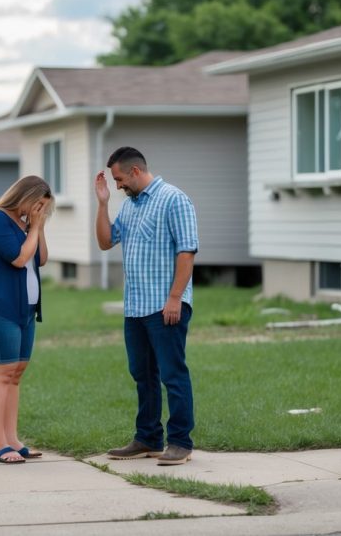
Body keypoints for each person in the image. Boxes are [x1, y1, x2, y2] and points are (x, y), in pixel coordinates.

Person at [94, 147, 199, 466]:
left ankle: (180, 442)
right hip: (136, 308)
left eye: (120, 179)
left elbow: (187, 251)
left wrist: (175, 298)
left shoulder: (174, 199)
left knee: (172, 374)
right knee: (143, 374)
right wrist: (103, 204)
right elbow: (105, 241)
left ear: (136, 171)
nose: (118, 186)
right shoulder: (129, 206)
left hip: (165, 305)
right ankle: (148, 438)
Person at [0, 175, 53, 464]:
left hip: (25, 310)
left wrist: (38, 228)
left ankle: (12, 439)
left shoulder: (26, 224)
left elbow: (41, 259)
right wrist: (33, 228)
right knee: (3, 374)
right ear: (26, 196)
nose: (40, 212)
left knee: (16, 375)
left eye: (44, 209)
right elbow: (19, 259)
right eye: (39, 206)